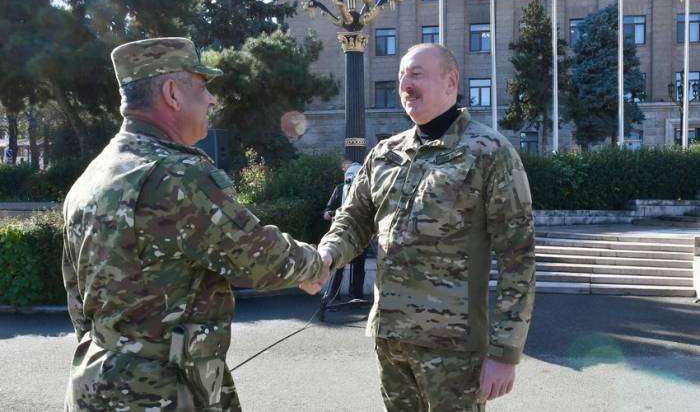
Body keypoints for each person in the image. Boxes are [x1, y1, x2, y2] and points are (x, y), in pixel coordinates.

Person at [61, 37, 330, 412]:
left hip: (94, 382)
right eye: (202, 87)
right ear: (172, 93)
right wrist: (317, 263)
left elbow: (77, 296)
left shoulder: (93, 176)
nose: (212, 100)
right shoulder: (178, 175)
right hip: (164, 389)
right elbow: (264, 260)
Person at [315, 43, 536, 411]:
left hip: (453, 348)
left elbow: (518, 258)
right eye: (402, 75)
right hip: (390, 339)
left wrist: (505, 351)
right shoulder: (385, 153)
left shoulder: (489, 152)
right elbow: (353, 221)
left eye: (416, 74)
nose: (406, 84)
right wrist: (326, 256)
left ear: (450, 82)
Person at [321, 162, 366, 302]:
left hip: (359, 235)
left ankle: (357, 296)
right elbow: (327, 212)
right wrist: (333, 213)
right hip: (340, 235)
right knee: (338, 266)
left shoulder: (364, 192)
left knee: (359, 267)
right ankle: (333, 295)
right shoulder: (340, 189)